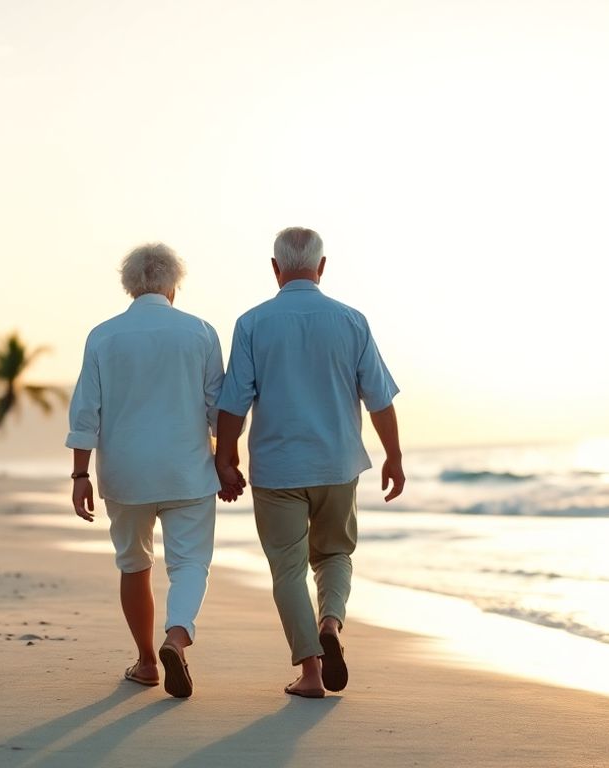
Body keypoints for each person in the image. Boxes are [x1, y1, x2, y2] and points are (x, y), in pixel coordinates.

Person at [214, 226, 404, 698]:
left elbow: (233, 403)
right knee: (335, 554)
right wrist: (394, 457)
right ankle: (332, 624)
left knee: (288, 569)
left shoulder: (253, 323)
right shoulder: (351, 320)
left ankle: (312, 673)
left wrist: (226, 459)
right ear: (321, 267)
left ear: (276, 268)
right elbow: (379, 398)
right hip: (337, 465)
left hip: (278, 470)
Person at [67, 243, 223, 699]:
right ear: (174, 285)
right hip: (188, 471)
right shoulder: (200, 332)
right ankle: (176, 637)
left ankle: (148, 663)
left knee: (134, 565)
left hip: (126, 473)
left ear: (129, 285)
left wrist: (80, 476)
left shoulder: (104, 335)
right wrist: (228, 459)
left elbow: (85, 412)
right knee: (190, 563)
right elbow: (219, 406)